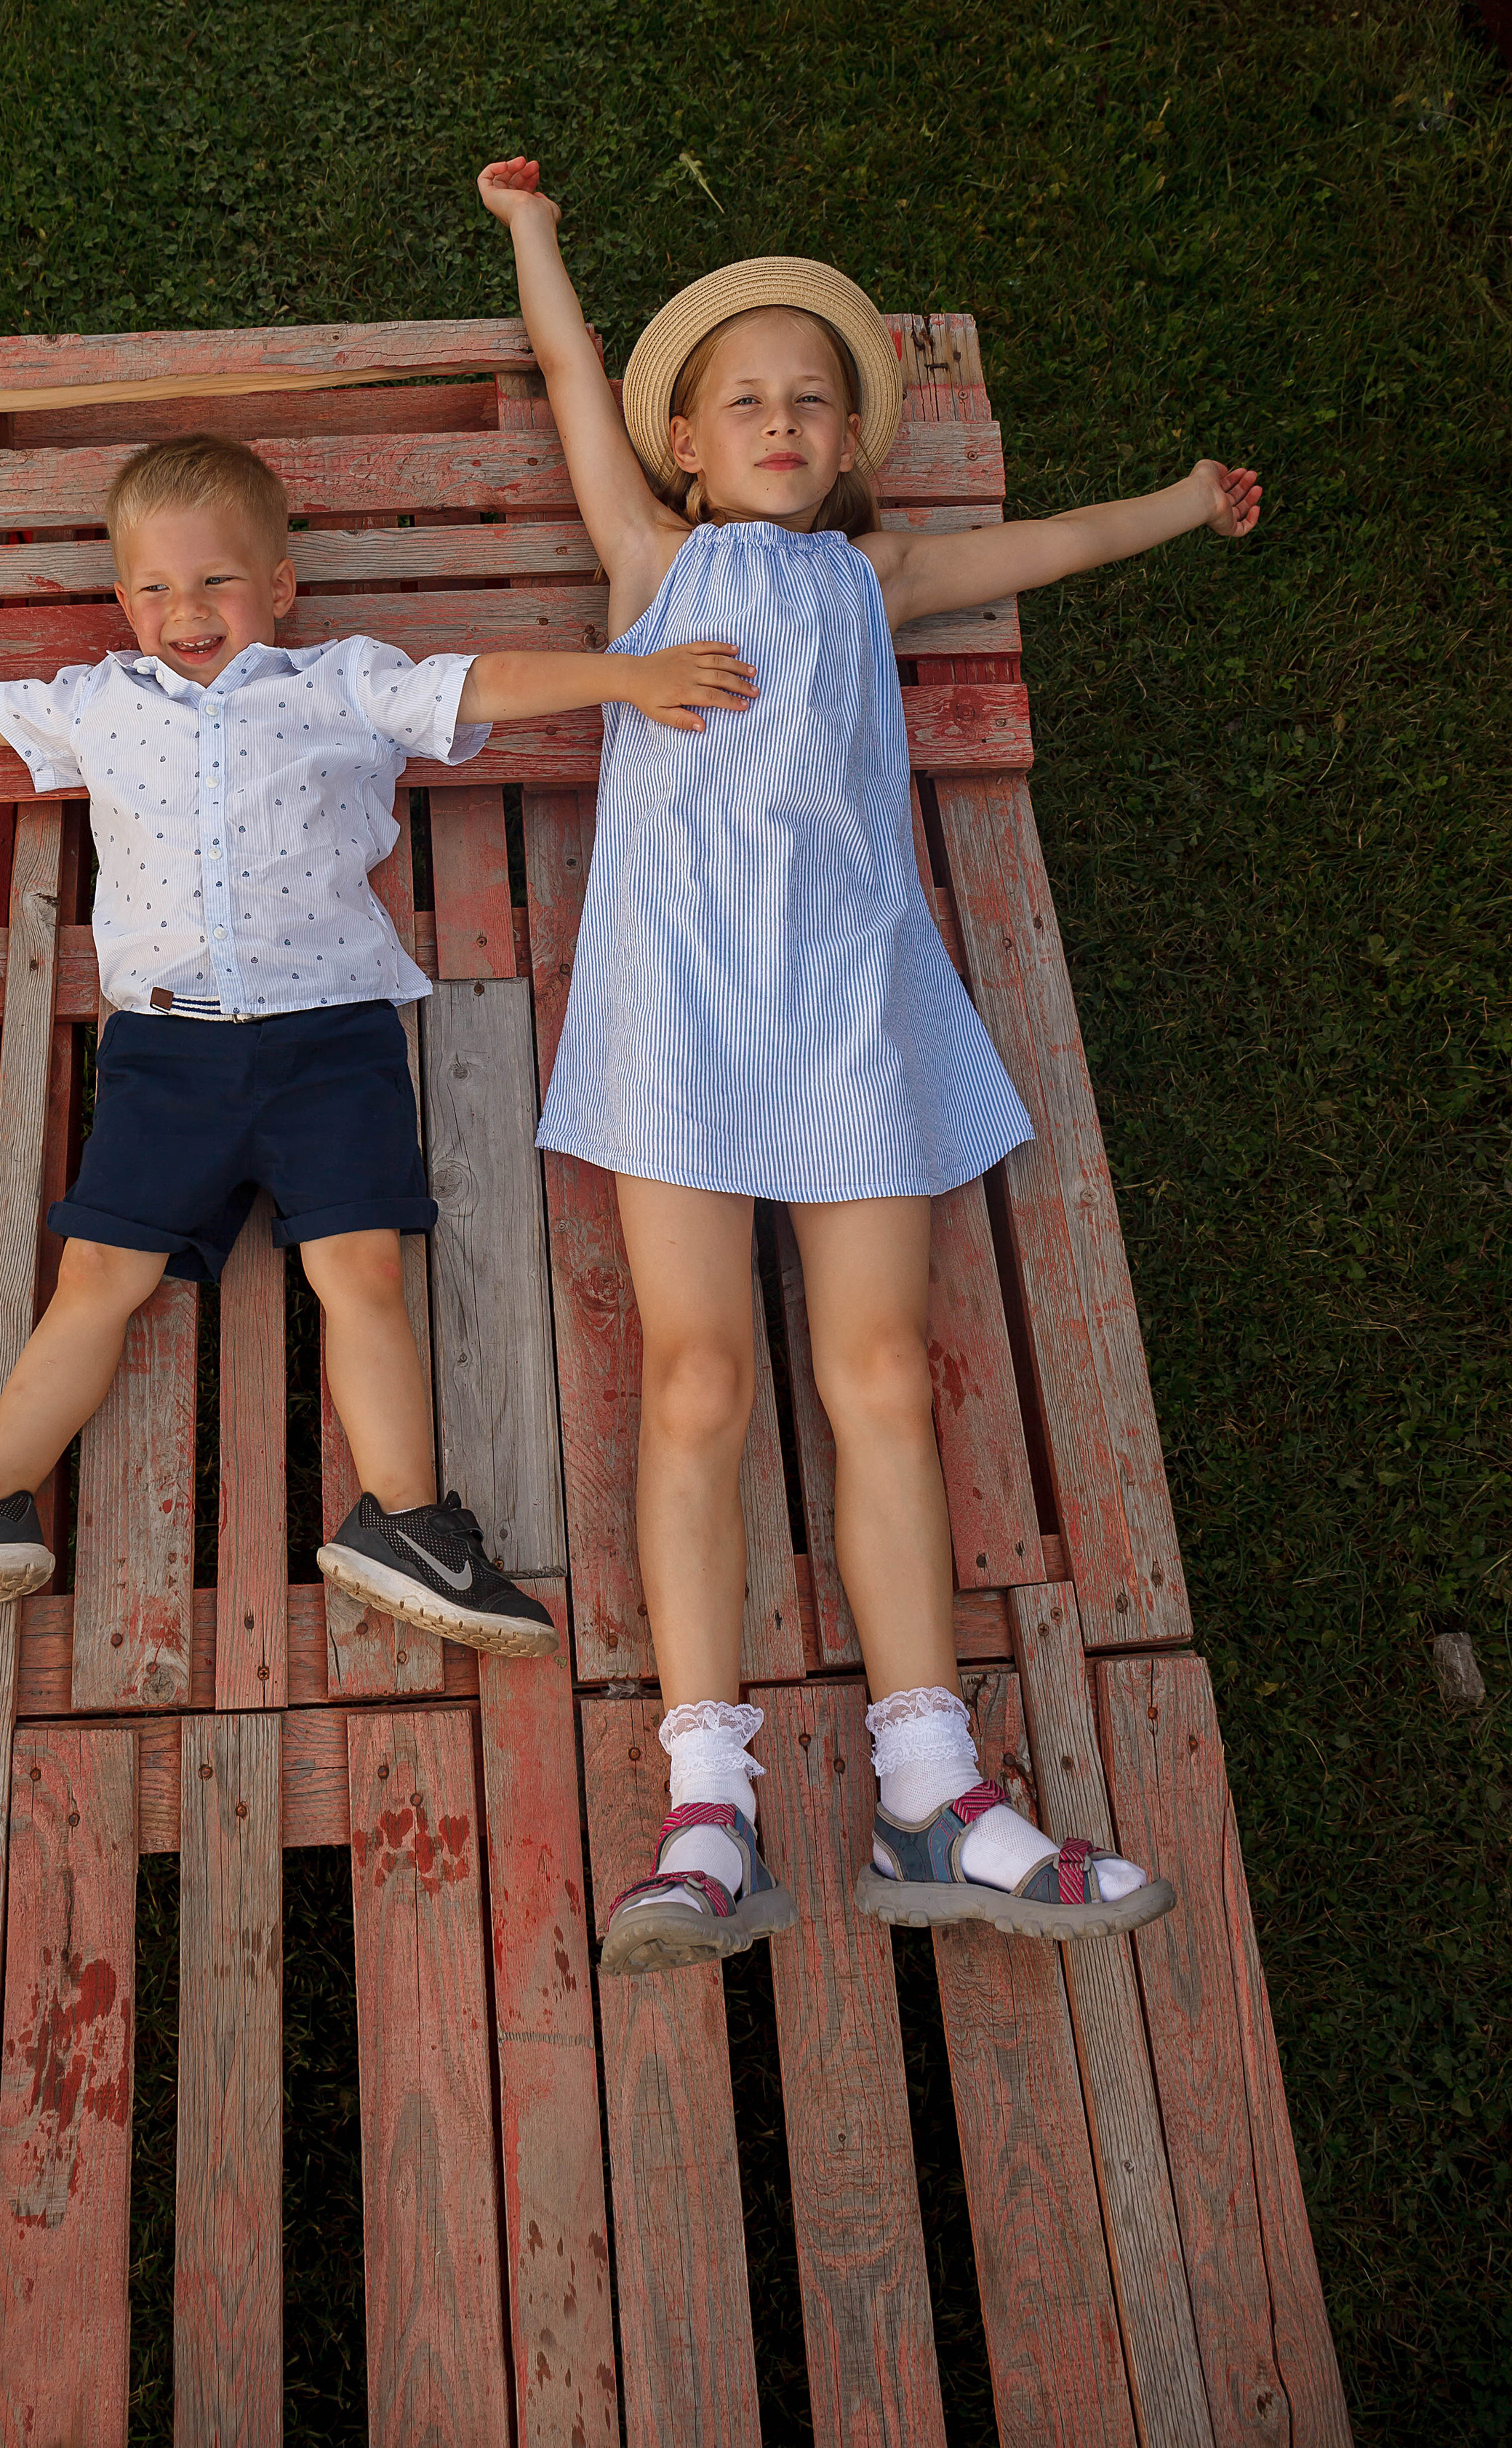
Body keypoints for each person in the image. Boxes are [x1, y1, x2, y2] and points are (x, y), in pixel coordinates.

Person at [478, 155, 1261, 1958]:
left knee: (883, 1375)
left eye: (807, 401)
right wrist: (533, 234)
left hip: (848, 1007)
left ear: (845, 452)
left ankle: (931, 1793)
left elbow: (1047, 548)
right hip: (676, 1002)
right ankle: (705, 1808)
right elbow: (569, 378)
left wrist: (1173, 501)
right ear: (682, 444)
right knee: (692, 1382)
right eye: (740, 399)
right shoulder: (648, 557)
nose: (777, 417)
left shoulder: (876, 576)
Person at [0, 430, 754, 1655]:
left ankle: (404, 1521)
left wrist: (625, 678)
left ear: (279, 586)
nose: (187, 611)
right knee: (99, 1278)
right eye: (155, 589)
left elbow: (483, 684)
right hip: (168, 1052)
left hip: (329, 1043)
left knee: (365, 1274)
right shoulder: (98, 705)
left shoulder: (343, 681)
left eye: (218, 582)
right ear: (122, 600)